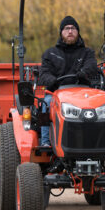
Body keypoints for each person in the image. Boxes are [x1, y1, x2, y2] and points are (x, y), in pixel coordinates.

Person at [38, 15, 98, 146]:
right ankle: (46, 142)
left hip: (82, 93)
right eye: (66, 28)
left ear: (78, 32)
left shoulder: (87, 53)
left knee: (99, 107)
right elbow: (44, 74)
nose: (70, 31)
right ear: (61, 32)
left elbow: (92, 65)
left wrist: (83, 73)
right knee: (46, 104)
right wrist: (52, 81)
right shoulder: (51, 54)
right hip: (57, 93)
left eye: (73, 28)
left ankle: (96, 141)